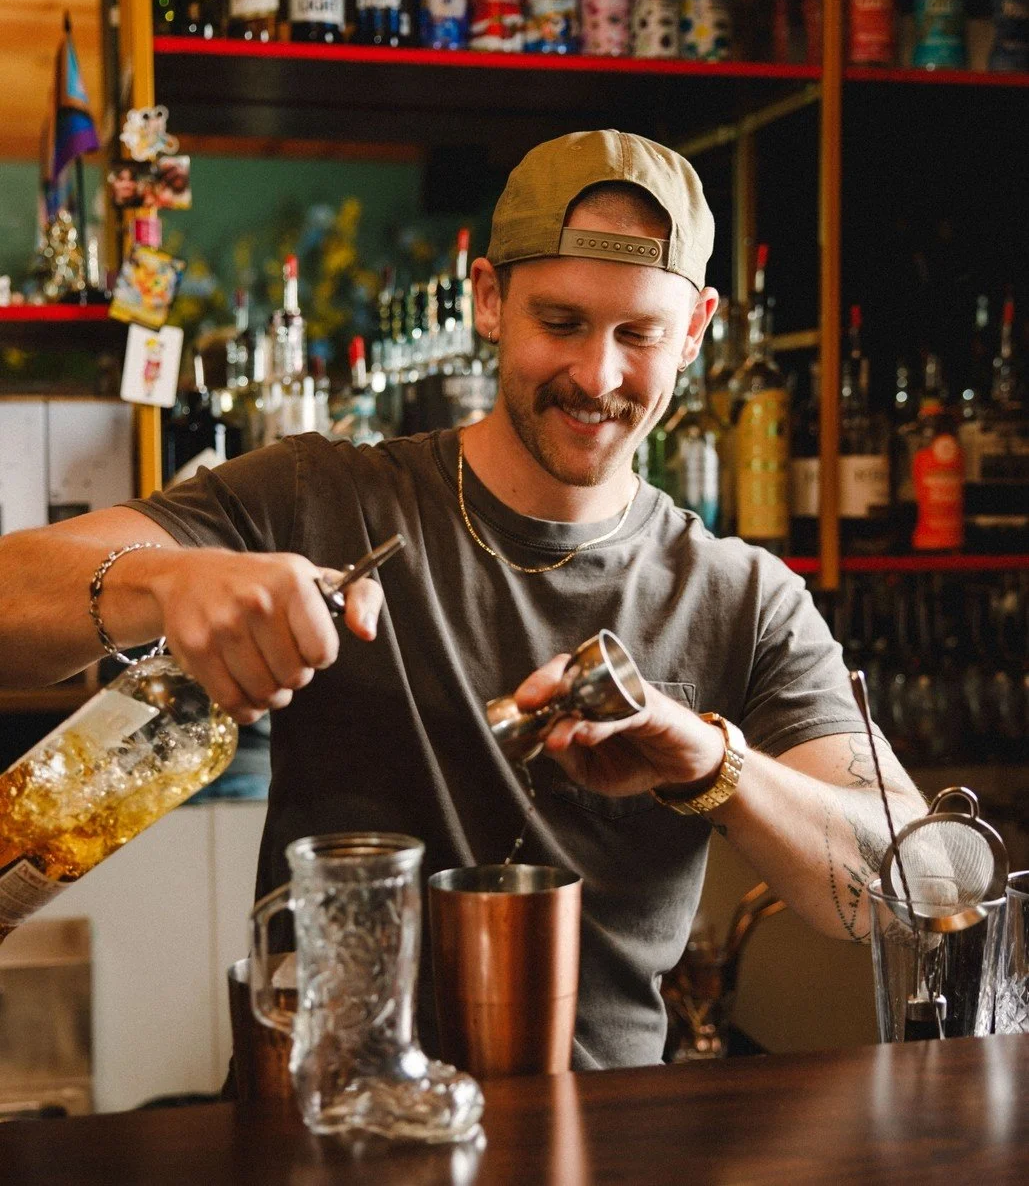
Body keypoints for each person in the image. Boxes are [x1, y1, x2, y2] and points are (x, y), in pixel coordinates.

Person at [0, 130, 924, 1069]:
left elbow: (919, 883)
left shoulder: (740, 596)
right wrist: (164, 578)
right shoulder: (319, 496)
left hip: (603, 1141)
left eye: (638, 334)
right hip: (324, 1129)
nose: (597, 376)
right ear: (488, 299)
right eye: (560, 322)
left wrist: (710, 759)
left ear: (693, 331)